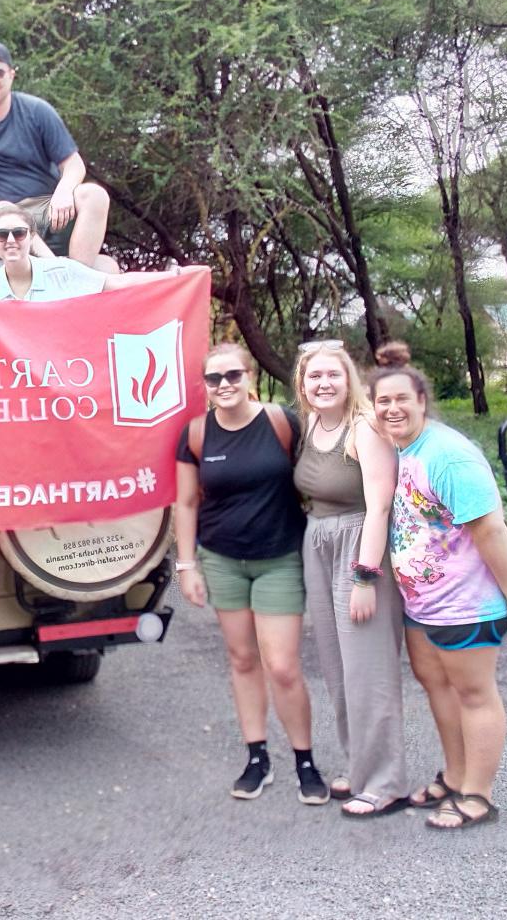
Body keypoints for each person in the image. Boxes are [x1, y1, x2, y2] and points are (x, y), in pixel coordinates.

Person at [370, 365, 507, 829]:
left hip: (466, 603)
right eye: (383, 402)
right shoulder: (403, 449)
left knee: (474, 694)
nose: (393, 408)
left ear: (422, 399)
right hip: (423, 604)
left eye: (402, 398)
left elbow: (490, 528)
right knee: (437, 686)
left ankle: (478, 796)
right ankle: (455, 775)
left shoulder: (449, 455)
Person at [173, 344, 330, 805]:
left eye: (232, 376)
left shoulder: (283, 422)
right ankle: (256, 757)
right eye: (213, 379)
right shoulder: (198, 433)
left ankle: (305, 760)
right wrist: (187, 565)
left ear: (250, 376)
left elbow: (324, 469)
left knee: (281, 666)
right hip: (223, 560)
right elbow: (185, 502)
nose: (224, 386)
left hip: (280, 557)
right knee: (242, 660)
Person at [292, 340, 409, 818]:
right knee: (337, 669)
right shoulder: (311, 426)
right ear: (302, 384)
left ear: (350, 381)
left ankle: (385, 782)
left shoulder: (364, 429)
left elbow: (380, 504)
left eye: (333, 376)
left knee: (369, 668)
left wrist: (365, 576)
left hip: (359, 546)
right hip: (317, 542)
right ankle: (358, 766)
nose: (324, 384)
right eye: (314, 377)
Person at [0, 41, 115, 270]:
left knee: (95, 197)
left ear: (11, 75)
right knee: (9, 213)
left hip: (46, 208)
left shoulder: (37, 111)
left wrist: (63, 192)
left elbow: (74, 164)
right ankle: (60, 273)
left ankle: (79, 273)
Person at [0, 202, 204, 302]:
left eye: (19, 233)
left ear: (31, 237)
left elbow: (120, 283)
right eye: (2, 234)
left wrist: (177, 275)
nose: (11, 240)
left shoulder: (62, 271)